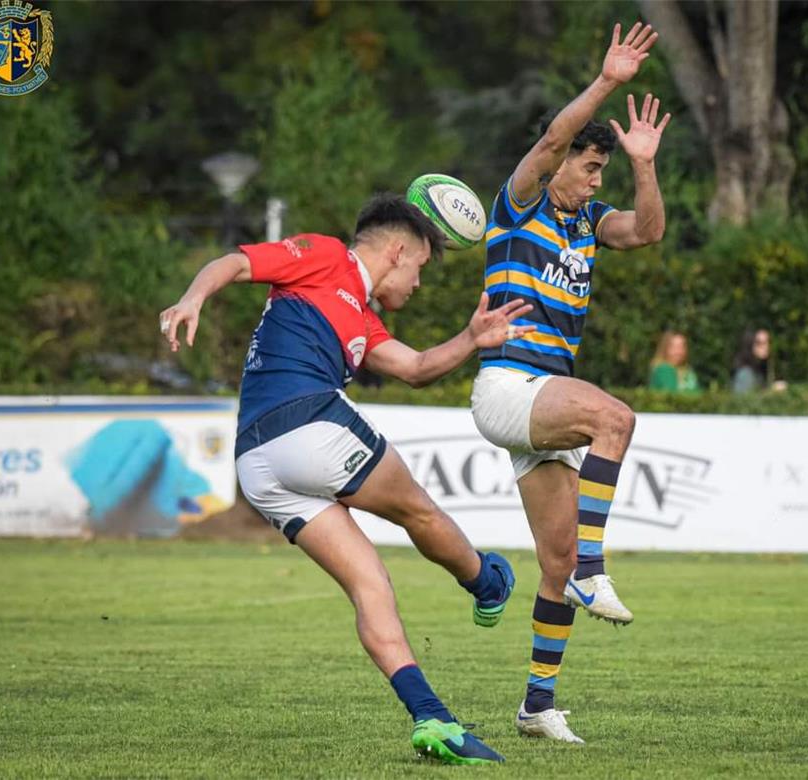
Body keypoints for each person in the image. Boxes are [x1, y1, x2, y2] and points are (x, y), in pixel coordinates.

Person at [158, 194, 538, 765]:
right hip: (307, 421)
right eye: (421, 269)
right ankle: (485, 580)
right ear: (398, 250)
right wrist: (192, 298)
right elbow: (234, 263)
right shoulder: (325, 254)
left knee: (370, 584)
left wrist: (471, 341)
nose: (417, 284)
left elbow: (413, 369)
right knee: (420, 512)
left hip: (259, 464)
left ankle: (432, 719)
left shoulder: (361, 318)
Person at [469, 20, 669, 744]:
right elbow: (555, 139)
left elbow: (647, 232)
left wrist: (642, 163)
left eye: (601, 173)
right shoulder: (517, 202)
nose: (593, 178)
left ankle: (536, 706)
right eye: (591, 168)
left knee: (550, 567)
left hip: (542, 401)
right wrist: (609, 82)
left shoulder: (588, 223)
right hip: (508, 386)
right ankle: (596, 565)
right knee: (616, 419)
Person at [731, 327, 788, 395]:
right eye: (759, 343)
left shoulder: (761, 369)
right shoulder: (745, 373)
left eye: (768, 342)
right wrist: (772, 390)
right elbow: (743, 402)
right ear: (749, 344)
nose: (766, 347)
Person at [648, 330, 700, 394]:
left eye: (682, 346)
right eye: (674, 347)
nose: (679, 351)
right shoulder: (664, 370)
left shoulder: (688, 371)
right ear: (666, 348)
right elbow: (673, 394)